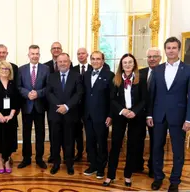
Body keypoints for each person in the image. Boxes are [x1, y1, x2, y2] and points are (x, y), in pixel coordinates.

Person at [147, 37, 190, 192]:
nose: (171, 50)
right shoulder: (157, 70)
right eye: (168, 48)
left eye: (174, 48)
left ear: (178, 49)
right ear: (165, 50)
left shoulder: (188, 69)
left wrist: (188, 118)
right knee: (156, 148)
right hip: (158, 115)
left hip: (179, 116)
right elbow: (152, 94)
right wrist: (149, 115)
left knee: (178, 151)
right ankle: (158, 177)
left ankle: (175, 181)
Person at [103, 53, 147, 187]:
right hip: (120, 116)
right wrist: (123, 111)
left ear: (134, 64)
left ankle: (128, 176)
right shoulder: (115, 80)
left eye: (130, 62)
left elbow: (144, 99)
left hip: (135, 116)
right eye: (125, 63)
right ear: (121, 65)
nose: (127, 65)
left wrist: (134, 111)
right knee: (115, 146)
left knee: (132, 146)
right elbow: (112, 99)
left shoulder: (142, 79)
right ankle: (110, 176)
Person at [46, 53, 83, 175]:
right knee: (55, 140)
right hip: (55, 114)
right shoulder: (51, 76)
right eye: (60, 61)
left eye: (65, 61)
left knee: (69, 141)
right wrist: (59, 106)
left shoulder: (76, 76)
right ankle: (56, 163)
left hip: (70, 114)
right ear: (57, 63)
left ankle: (69, 164)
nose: (62, 63)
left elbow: (78, 94)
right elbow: (49, 93)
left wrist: (66, 106)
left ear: (69, 62)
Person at [17, 45, 50, 169]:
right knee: (26, 134)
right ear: (29, 55)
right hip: (26, 106)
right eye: (32, 53)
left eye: (37, 53)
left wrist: (38, 93)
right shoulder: (21, 69)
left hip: (40, 106)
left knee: (40, 134)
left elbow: (48, 87)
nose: (35, 56)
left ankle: (39, 158)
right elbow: (18, 86)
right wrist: (27, 94)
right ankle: (26, 158)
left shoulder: (46, 69)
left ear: (39, 55)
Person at [83, 51, 114, 179]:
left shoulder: (110, 75)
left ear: (103, 60)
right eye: (93, 59)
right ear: (90, 60)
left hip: (102, 116)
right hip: (87, 115)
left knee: (101, 142)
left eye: (98, 59)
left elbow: (112, 98)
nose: (95, 61)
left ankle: (101, 167)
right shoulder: (85, 75)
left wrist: (110, 115)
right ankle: (93, 165)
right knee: (90, 142)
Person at [136, 47, 161, 178]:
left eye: (155, 56)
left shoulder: (164, 72)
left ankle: (153, 168)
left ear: (160, 58)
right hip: (140, 113)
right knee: (137, 139)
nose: (152, 59)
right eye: (149, 57)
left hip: (156, 114)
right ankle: (138, 164)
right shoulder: (140, 73)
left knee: (155, 142)